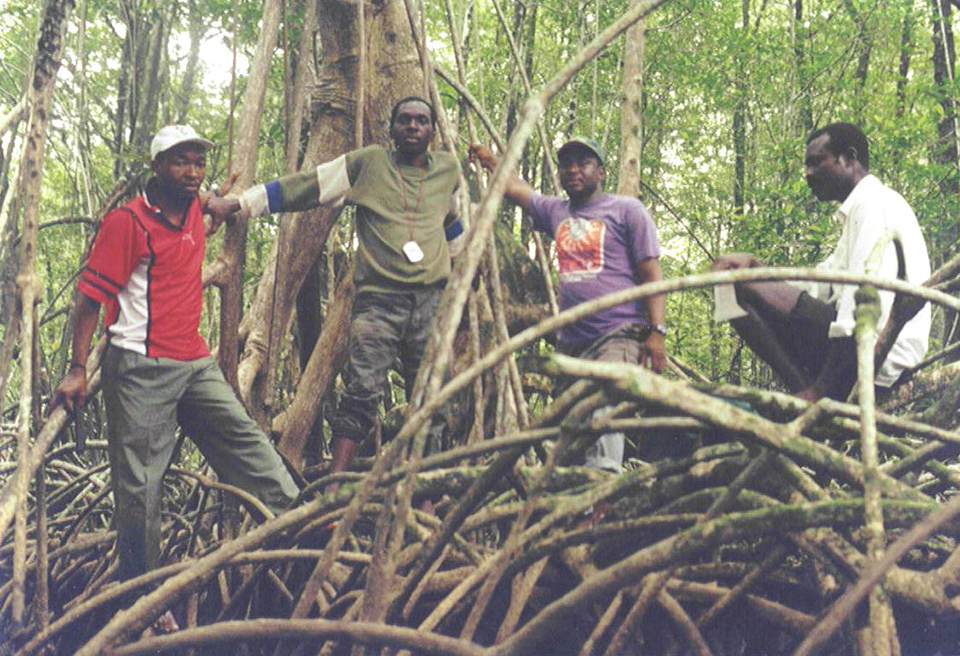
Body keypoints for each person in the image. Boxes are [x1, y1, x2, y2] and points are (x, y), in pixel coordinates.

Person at [50, 125, 300, 599]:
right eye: (181, 162)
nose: (192, 172)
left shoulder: (193, 205)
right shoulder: (127, 224)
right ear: (158, 167)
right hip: (140, 371)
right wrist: (79, 369)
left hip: (195, 364)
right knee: (141, 490)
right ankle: (142, 599)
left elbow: (205, 208)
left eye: (198, 162)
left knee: (249, 444)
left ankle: (301, 528)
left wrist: (220, 200)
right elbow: (88, 300)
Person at [208, 97, 464, 485]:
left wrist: (464, 272)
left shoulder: (447, 170)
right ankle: (335, 487)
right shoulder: (370, 164)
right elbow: (307, 186)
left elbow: (450, 221)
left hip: (431, 302)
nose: (413, 127)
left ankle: (424, 490)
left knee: (430, 396)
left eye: (422, 121)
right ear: (392, 129)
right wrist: (241, 204)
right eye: (405, 120)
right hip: (380, 300)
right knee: (362, 391)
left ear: (433, 131)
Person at [469, 138, 666, 473]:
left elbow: (652, 273)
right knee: (570, 425)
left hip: (619, 333)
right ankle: (573, 498)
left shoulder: (627, 211)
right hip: (573, 342)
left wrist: (657, 332)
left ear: (601, 172)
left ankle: (601, 488)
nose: (574, 170)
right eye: (567, 164)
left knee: (604, 405)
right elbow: (515, 187)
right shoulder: (557, 211)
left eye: (584, 163)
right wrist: (491, 162)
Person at [712, 122, 931, 402]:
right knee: (733, 284)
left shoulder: (875, 205)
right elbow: (821, 283)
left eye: (816, 162)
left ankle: (813, 396)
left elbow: (857, 314)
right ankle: (802, 390)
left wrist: (822, 388)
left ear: (849, 158)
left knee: (740, 287)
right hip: (862, 353)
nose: (808, 174)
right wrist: (755, 269)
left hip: (878, 357)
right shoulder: (860, 211)